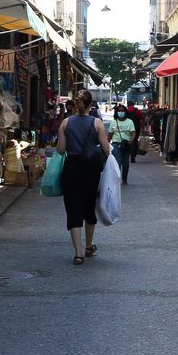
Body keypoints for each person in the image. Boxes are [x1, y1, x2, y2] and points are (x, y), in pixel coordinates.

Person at [56, 89, 112, 265]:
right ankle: (88, 247)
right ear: (90, 105)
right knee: (89, 207)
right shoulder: (97, 123)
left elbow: (61, 150)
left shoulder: (65, 123)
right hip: (91, 171)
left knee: (73, 209)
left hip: (71, 169)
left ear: (75, 105)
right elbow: (106, 149)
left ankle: (78, 254)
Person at [108, 105, 137, 184]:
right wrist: (107, 145)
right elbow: (110, 135)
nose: (121, 113)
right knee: (117, 161)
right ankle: (116, 179)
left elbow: (133, 133)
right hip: (116, 144)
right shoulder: (113, 122)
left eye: (122, 111)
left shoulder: (129, 122)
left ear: (125, 112)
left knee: (125, 163)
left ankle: (124, 179)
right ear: (116, 112)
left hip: (126, 145)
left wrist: (131, 140)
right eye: (119, 111)